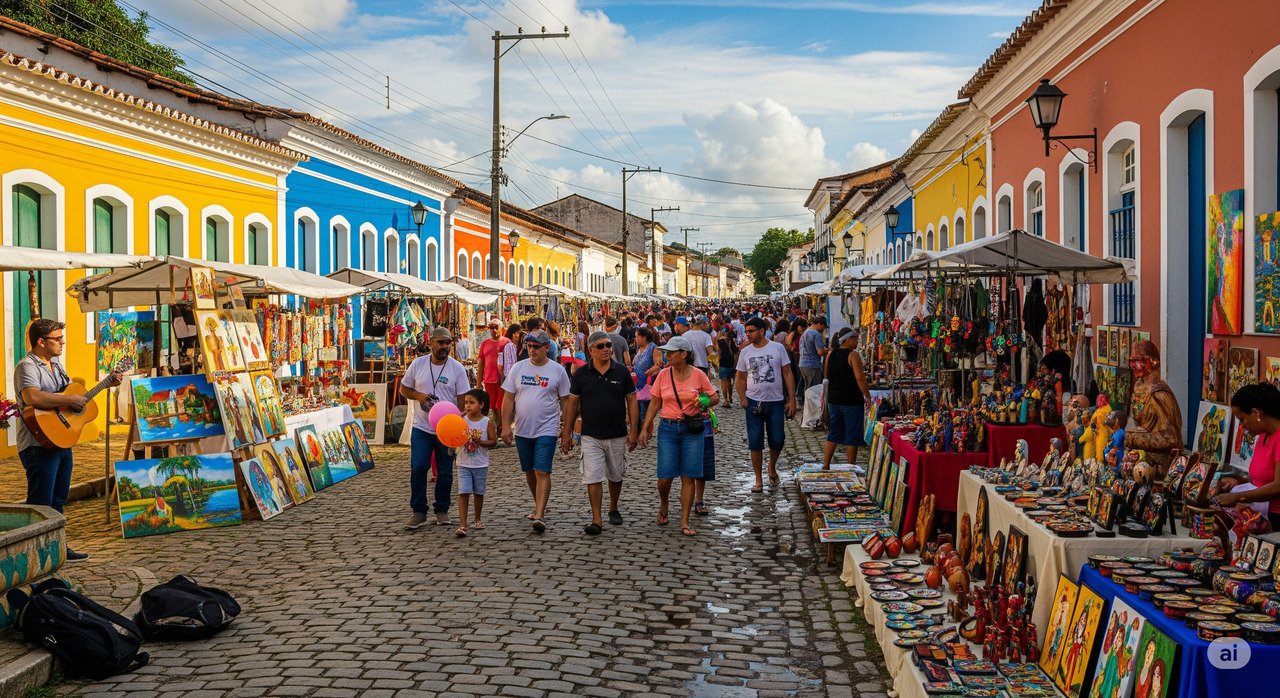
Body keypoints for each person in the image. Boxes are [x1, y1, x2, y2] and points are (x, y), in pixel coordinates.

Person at [14, 319, 121, 562]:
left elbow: (71, 397)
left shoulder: (56, 364)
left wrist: (105, 384)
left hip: (61, 440)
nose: (63, 342)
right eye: (57, 339)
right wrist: (71, 400)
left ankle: (58, 547)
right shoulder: (26, 366)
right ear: (41, 342)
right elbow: (32, 397)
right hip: (37, 443)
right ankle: (34, 554)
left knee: (58, 499)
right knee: (41, 501)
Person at [639, 336, 718, 536]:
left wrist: (703, 403)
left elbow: (714, 396)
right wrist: (645, 427)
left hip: (692, 430)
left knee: (688, 476)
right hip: (668, 429)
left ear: (684, 354)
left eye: (671, 352)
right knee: (664, 477)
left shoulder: (699, 375)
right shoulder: (664, 375)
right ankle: (664, 503)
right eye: (667, 352)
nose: (667, 355)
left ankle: (684, 521)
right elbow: (655, 403)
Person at [563, 331, 639, 535]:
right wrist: (566, 433)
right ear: (590, 351)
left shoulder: (621, 372)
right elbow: (572, 404)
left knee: (616, 474)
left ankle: (613, 506)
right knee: (592, 476)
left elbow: (632, 401)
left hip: (617, 432)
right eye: (601, 346)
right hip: (590, 434)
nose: (606, 349)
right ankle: (596, 518)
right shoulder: (581, 374)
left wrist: (634, 430)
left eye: (608, 345)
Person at [400, 327, 471, 529]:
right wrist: (419, 397)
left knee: (445, 471)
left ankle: (442, 510)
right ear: (430, 342)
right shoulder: (418, 364)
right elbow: (404, 389)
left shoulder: (457, 368)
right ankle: (419, 511)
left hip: (447, 429)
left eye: (448, 343)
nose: (444, 346)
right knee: (419, 467)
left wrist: (457, 423)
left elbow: (462, 400)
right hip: (421, 427)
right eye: (440, 342)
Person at [501, 330, 571, 532]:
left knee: (542, 470)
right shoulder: (518, 368)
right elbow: (508, 398)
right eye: (529, 346)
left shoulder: (557, 371)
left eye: (536, 347)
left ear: (547, 348)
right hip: (523, 428)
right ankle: (538, 502)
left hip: (547, 427)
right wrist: (505, 425)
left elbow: (566, 401)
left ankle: (540, 513)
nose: (532, 350)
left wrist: (566, 430)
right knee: (530, 470)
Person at [736, 316, 796, 492]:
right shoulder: (745, 352)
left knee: (777, 439)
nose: (748, 334)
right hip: (753, 402)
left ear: (762, 331)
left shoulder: (777, 348)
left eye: (751, 331)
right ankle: (758, 478)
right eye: (746, 331)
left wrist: (792, 399)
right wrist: (742, 397)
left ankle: (771, 465)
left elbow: (787, 373)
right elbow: (739, 377)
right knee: (755, 441)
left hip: (776, 401)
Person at [1214, 383, 1280, 529]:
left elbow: (1278, 486)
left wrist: (1239, 496)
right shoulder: (1263, 435)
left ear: (1256, 413)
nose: (1242, 426)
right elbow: (1261, 479)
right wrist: (1238, 482)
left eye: (1242, 419)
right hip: (1260, 511)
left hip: (1274, 519)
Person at [822, 329, 871, 469]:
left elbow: (826, 376)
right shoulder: (853, 355)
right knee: (852, 434)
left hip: (834, 399)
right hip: (851, 399)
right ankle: (851, 467)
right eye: (855, 338)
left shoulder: (830, 354)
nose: (856, 340)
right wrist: (867, 396)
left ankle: (826, 465)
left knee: (834, 432)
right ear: (847, 339)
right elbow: (860, 378)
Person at [455, 389, 496, 537]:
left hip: (480, 463)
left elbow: (493, 442)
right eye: (466, 403)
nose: (467, 406)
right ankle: (463, 524)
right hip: (463, 463)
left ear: (481, 404)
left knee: (479, 493)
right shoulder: (462, 420)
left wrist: (481, 442)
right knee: (463, 492)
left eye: (472, 403)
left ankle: (477, 518)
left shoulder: (486, 422)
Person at [477, 320, 509, 414]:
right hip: (488, 380)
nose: (494, 330)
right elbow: (481, 364)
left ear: (501, 328)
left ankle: (502, 425)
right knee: (492, 406)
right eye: (491, 328)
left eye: (496, 327)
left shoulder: (507, 343)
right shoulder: (484, 344)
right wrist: (478, 383)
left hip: (503, 380)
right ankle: (496, 425)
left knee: (501, 406)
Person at [632, 327, 659, 423]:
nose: (635, 339)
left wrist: (649, 372)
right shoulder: (640, 349)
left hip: (647, 386)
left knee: (646, 412)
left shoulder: (653, 348)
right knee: (637, 411)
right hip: (637, 385)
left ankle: (646, 433)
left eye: (636, 337)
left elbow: (659, 365)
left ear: (643, 337)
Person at [797, 315, 828, 397]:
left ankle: (807, 407)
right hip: (812, 366)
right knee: (814, 391)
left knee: (808, 389)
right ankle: (812, 409)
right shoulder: (816, 334)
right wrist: (830, 350)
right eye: (824, 327)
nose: (823, 329)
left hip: (803, 364)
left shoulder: (805, 333)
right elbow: (820, 351)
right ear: (819, 324)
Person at [716, 326, 739, 407]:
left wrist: (715, 363)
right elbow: (736, 353)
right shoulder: (732, 340)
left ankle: (726, 400)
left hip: (723, 363)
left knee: (724, 382)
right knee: (729, 381)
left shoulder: (720, 341)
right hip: (731, 363)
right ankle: (730, 397)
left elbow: (718, 353)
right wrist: (735, 363)